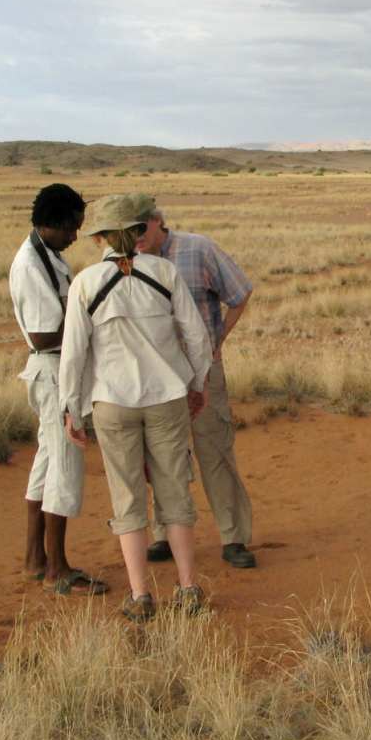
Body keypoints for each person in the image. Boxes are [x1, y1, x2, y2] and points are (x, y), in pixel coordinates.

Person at [59, 195, 213, 621]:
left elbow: (73, 354)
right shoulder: (165, 272)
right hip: (167, 397)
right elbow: (197, 338)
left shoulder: (86, 283)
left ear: (102, 238)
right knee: (174, 491)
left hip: (112, 402)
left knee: (126, 497)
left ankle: (141, 595)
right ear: (140, 231)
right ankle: (189, 588)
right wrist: (197, 383)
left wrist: (71, 408)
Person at [124, 194, 258, 569]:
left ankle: (233, 538)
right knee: (163, 455)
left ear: (157, 221)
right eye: (127, 229)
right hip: (155, 375)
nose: (135, 236)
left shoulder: (198, 249)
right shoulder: (128, 261)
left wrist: (217, 341)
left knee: (214, 450)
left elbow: (240, 292)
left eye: (140, 227)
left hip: (201, 370)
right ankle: (163, 533)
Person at [8, 183, 107, 596]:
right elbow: (43, 333)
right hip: (53, 374)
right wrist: (91, 319)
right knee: (64, 468)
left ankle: (36, 559)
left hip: (51, 372)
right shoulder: (32, 264)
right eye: (72, 228)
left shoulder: (46, 256)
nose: (75, 237)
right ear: (55, 221)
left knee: (46, 465)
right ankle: (58, 569)